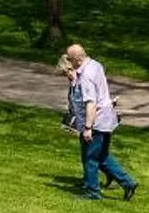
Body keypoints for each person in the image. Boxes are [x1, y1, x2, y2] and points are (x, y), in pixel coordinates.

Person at [59, 44, 137, 201]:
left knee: (90, 158)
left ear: (76, 59)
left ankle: (93, 192)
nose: (68, 61)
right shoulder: (96, 65)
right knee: (102, 155)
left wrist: (88, 127)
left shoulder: (85, 76)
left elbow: (91, 103)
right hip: (107, 119)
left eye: (69, 58)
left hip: (97, 121)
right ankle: (127, 182)